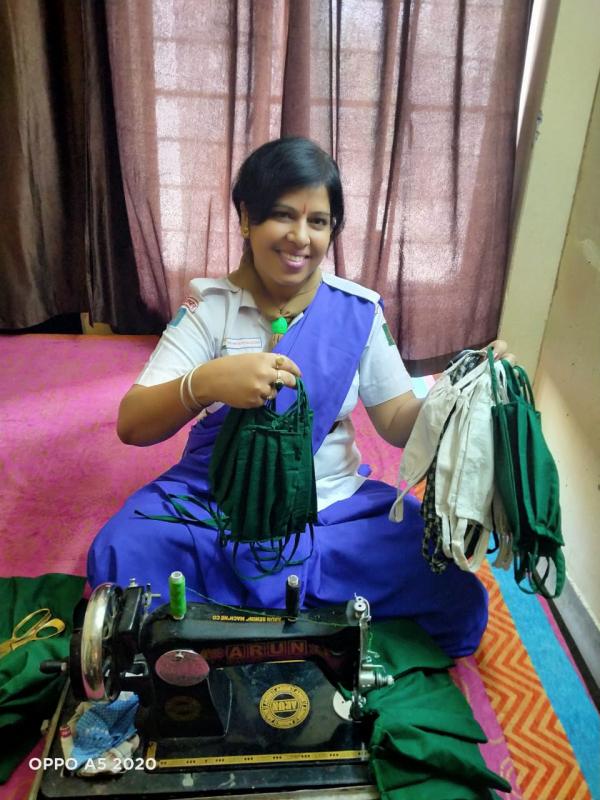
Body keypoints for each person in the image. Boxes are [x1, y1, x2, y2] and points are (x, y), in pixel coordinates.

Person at [88, 136, 513, 658]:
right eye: (282, 216)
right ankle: (312, 626)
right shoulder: (209, 308)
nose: (300, 238)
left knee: (454, 592)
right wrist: (205, 383)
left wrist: (458, 394)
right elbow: (132, 424)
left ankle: (229, 625)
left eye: (319, 222)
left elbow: (399, 420)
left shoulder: (358, 311)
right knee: (120, 553)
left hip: (329, 509)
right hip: (215, 504)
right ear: (245, 218)